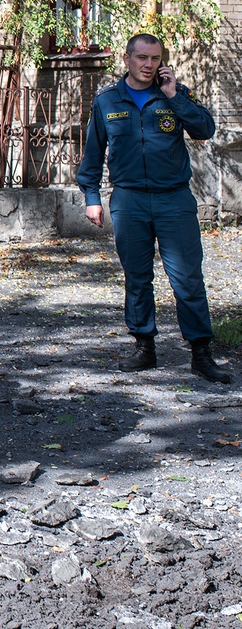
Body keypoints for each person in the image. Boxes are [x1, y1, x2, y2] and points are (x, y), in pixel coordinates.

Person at [77, 33, 231, 383]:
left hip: (173, 199)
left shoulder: (174, 94)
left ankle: (201, 354)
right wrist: (92, 198)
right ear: (127, 59)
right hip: (129, 200)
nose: (149, 65)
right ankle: (144, 348)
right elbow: (93, 154)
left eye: (155, 58)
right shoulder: (106, 101)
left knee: (188, 278)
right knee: (137, 276)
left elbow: (205, 129)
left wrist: (176, 96)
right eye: (142, 58)